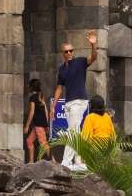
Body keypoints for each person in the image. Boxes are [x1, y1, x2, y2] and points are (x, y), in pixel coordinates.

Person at [50, 30, 97, 170]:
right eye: (66, 51)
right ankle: (78, 160)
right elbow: (59, 88)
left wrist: (93, 45)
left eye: (71, 50)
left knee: (72, 132)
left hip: (79, 101)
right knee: (75, 132)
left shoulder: (80, 62)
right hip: (68, 102)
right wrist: (53, 108)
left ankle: (66, 162)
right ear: (62, 54)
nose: (69, 53)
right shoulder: (62, 69)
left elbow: (93, 58)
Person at [24, 78, 55, 163]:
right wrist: (46, 123)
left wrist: (26, 126)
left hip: (39, 125)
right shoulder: (40, 96)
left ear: (31, 87)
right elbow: (45, 110)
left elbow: (31, 112)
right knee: (29, 141)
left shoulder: (32, 98)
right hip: (41, 124)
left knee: (43, 143)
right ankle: (31, 162)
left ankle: (54, 162)